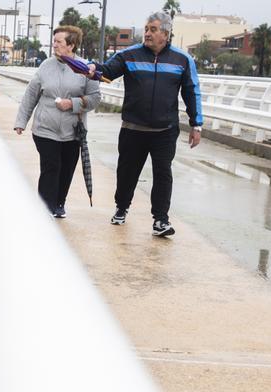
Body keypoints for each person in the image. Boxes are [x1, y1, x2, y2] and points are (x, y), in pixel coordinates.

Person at [87, 10, 202, 237]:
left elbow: (192, 91)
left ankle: (160, 220)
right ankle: (121, 207)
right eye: (147, 29)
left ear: (166, 34)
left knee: (163, 174)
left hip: (165, 130)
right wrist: (92, 69)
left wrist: (196, 124)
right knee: (127, 172)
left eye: (153, 30)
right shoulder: (130, 55)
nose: (147, 34)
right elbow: (108, 72)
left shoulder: (182, 60)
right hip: (133, 128)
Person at [13, 25, 100, 219]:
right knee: (51, 166)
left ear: (71, 45)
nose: (54, 45)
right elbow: (31, 94)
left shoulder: (85, 69)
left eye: (59, 42)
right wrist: (21, 121)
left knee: (67, 168)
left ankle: (59, 203)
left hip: (72, 131)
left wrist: (73, 103)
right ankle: (44, 208)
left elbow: (95, 98)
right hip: (45, 129)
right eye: (54, 41)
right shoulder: (46, 66)